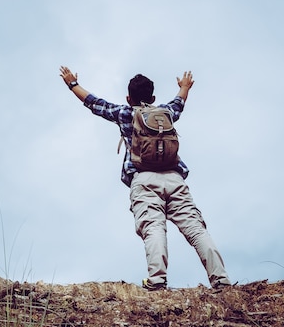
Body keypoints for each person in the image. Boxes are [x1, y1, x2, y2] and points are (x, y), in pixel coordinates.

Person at [59, 65, 231, 291]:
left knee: (153, 228)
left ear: (128, 98)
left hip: (143, 180)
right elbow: (179, 102)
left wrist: (72, 84)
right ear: (153, 98)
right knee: (196, 229)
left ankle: (157, 281)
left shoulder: (124, 113)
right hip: (175, 178)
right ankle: (221, 280)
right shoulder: (166, 113)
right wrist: (185, 86)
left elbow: (94, 102)